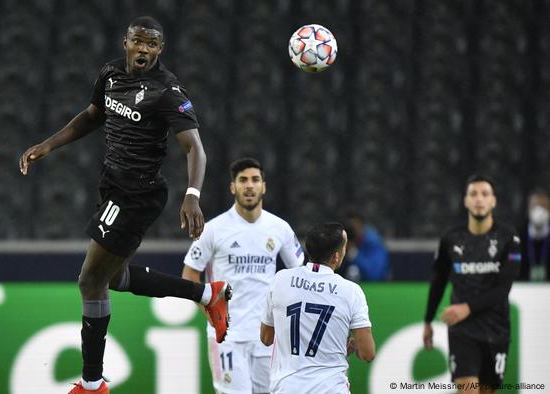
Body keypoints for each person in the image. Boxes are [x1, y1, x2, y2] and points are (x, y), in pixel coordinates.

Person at [19, 16, 231, 394]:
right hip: (112, 184)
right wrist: (48, 144)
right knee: (112, 278)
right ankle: (206, 294)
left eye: (152, 44)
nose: (144, 50)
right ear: (126, 42)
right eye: (138, 42)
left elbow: (194, 147)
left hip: (137, 194)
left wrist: (193, 194)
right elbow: (91, 117)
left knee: (89, 280)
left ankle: (92, 382)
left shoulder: (167, 90)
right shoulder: (111, 75)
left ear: (160, 50)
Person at [182, 157, 305, 394]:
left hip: (267, 336)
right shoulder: (214, 229)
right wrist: (207, 308)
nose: (249, 185)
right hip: (226, 337)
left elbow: (301, 273)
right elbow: (189, 274)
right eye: (243, 180)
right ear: (233, 187)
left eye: (255, 180)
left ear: (263, 186)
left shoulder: (279, 228)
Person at [423, 174, 521, 394]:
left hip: (496, 329)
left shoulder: (509, 239)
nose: (479, 199)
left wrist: (467, 308)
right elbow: (438, 280)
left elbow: (503, 290)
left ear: (493, 201)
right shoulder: (451, 238)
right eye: (473, 194)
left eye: (485, 194)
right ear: (465, 201)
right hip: (462, 331)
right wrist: (428, 320)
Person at [260, 222, 375, 394]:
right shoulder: (351, 291)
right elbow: (367, 354)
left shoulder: (280, 280)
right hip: (330, 388)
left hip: (286, 388)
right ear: (336, 257)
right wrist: (346, 346)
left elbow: (266, 338)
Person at [341, 211, 390, 281]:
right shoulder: (342, 242)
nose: (351, 231)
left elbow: (374, 275)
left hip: (375, 288)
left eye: (353, 226)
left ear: (361, 225)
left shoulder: (374, 242)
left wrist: (354, 253)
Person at [519, 189, 550, 281]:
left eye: (544, 206)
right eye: (535, 206)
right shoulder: (517, 237)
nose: (539, 211)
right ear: (528, 209)